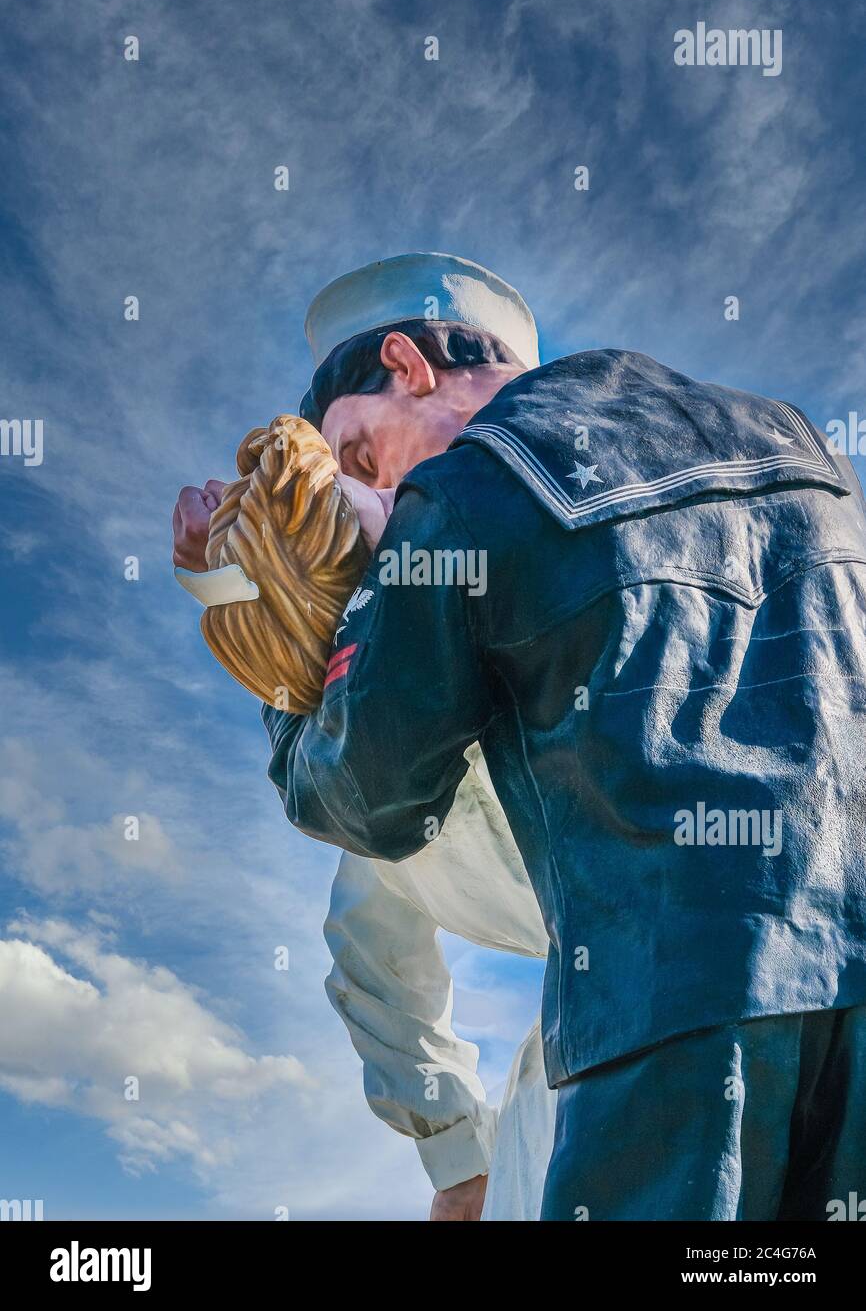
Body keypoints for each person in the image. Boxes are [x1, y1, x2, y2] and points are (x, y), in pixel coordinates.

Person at [174, 251, 866, 1220]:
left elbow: (368, 799)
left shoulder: (459, 495)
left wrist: (278, 667)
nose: (368, 493)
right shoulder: (802, 447)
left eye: (361, 455)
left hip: (667, 1017)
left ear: (407, 367)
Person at [175, 407, 556, 1219]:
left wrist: (457, 1156)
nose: (388, 491)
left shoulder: (369, 792)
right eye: (361, 479)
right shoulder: (530, 602)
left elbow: (371, 955)